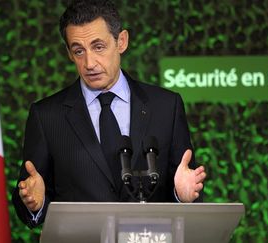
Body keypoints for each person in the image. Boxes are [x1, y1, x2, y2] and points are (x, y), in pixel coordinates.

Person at [12, 0, 206, 228]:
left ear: (121, 41)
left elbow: (186, 184)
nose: (89, 63)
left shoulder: (166, 106)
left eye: (98, 47)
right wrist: (36, 203)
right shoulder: (46, 116)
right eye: (78, 51)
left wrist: (181, 196)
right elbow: (29, 195)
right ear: (69, 53)